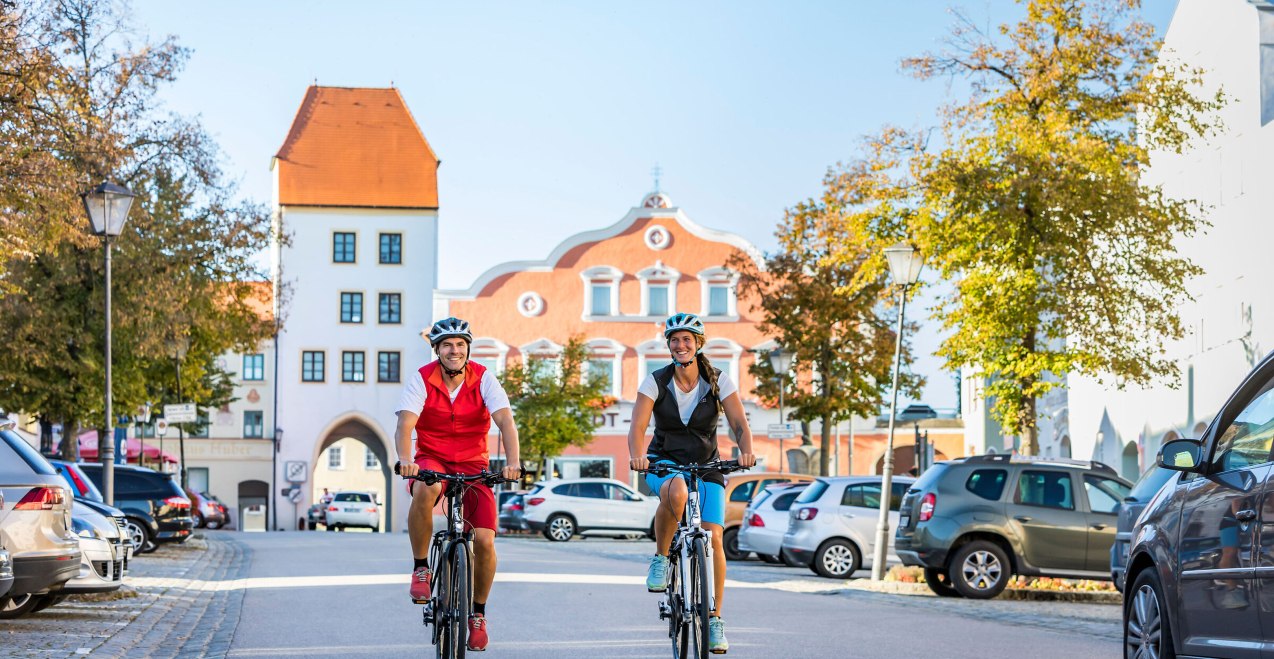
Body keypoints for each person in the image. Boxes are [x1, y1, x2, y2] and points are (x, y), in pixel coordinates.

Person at [627, 312, 756, 655]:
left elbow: (740, 425)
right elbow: (638, 426)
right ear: (668, 345)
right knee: (676, 490)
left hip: (706, 465)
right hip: (664, 462)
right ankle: (660, 557)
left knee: (713, 535)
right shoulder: (655, 380)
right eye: (674, 340)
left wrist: (746, 451)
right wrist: (637, 455)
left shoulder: (718, 380)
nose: (680, 345)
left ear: (698, 344)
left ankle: (713, 618)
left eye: (687, 339)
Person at [394, 316, 521, 652]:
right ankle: (421, 568)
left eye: (460, 345)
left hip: (473, 464)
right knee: (426, 488)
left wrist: (512, 463)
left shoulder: (483, 378)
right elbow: (405, 424)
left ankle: (477, 615)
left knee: (485, 540)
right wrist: (407, 460)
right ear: (436, 350)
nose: (454, 350)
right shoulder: (422, 379)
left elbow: (506, 421)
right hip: (432, 458)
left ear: (468, 349)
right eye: (447, 345)